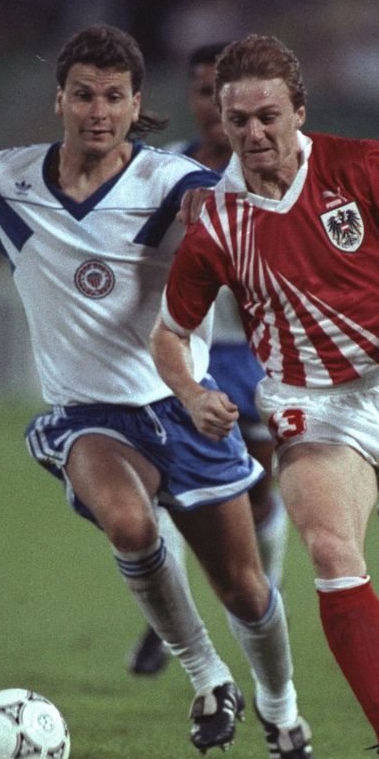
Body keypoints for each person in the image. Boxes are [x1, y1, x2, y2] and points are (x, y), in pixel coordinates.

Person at [0, 25, 312, 759]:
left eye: (114, 97)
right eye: (84, 95)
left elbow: (232, 229)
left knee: (245, 588)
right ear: (60, 101)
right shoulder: (8, 177)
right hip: (91, 416)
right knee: (129, 523)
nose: (98, 111)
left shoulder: (174, 183)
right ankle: (209, 677)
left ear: (137, 104)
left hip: (183, 407)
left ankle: (282, 709)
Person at [151, 34, 379, 759]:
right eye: (238, 120)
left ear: (299, 110)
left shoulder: (360, 166)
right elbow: (169, 334)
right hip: (310, 407)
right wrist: (192, 393)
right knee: (332, 549)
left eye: (267, 115)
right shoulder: (216, 220)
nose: (253, 132)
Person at [129, 42, 289, 679]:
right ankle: (166, 619)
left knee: (256, 494)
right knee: (170, 489)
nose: (215, 107)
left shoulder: (279, 169)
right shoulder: (164, 170)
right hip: (184, 352)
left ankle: (263, 601)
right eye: (203, 93)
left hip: (256, 356)